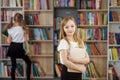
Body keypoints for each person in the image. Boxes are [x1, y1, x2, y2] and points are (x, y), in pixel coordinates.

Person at [3, 13, 31, 80]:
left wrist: (9, 36)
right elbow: (27, 40)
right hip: (19, 48)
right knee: (29, 62)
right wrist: (28, 50)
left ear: (14, 20)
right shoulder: (24, 29)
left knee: (13, 65)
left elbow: (8, 41)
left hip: (12, 48)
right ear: (21, 20)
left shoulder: (10, 29)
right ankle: (28, 79)